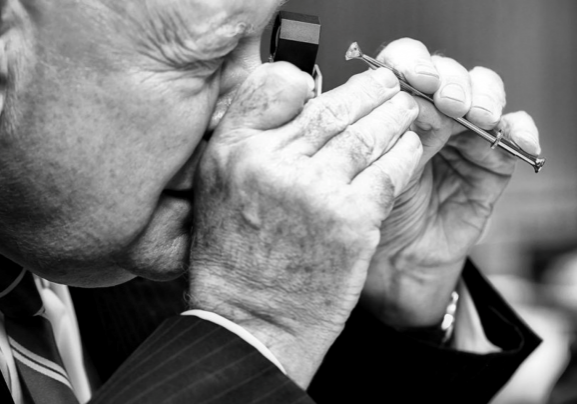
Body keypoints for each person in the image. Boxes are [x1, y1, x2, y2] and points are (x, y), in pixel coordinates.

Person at [0, 0, 541, 403]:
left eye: (272, 42)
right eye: (208, 61)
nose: (279, 100)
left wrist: (395, 298)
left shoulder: (148, 256)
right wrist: (255, 321)